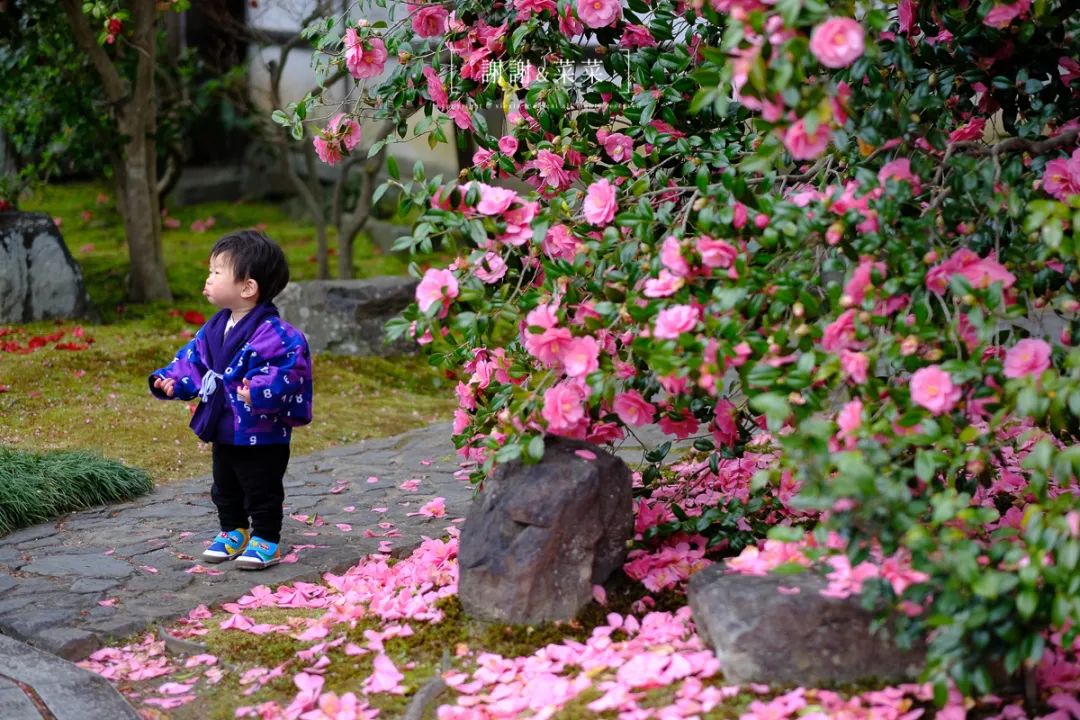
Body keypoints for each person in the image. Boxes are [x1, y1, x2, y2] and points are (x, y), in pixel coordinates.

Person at [149, 230, 312, 570]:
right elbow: (192, 361)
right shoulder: (213, 328)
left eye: (216, 272)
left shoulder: (278, 335)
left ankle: (267, 538)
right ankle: (233, 530)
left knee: (261, 484)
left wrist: (260, 388)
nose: (207, 279)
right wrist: (173, 380)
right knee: (224, 481)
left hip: (260, 426)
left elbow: (290, 369)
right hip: (223, 419)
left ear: (247, 287)